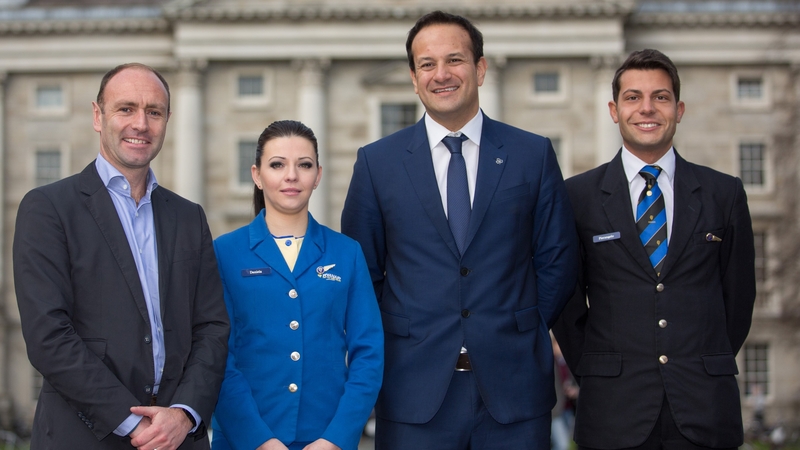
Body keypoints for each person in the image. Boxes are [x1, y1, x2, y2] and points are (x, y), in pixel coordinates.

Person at [341, 10, 578, 450]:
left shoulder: (532, 154)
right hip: (413, 393)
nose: (441, 74)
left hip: (514, 391)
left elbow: (558, 259)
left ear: (480, 68)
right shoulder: (377, 163)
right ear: (413, 78)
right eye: (427, 64)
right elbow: (362, 272)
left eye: (455, 60)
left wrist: (517, 326)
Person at [13, 63, 230, 450]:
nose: (141, 124)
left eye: (154, 111)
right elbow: (48, 335)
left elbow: (212, 328)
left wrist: (183, 414)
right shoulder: (48, 208)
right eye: (125, 109)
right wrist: (132, 423)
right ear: (98, 116)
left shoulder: (188, 216)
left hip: (178, 438)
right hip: (84, 436)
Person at [553, 49, 756, 450]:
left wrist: (698, 364)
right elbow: (567, 304)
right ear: (613, 109)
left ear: (679, 109)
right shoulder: (576, 197)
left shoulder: (724, 193)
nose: (647, 108)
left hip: (705, 411)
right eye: (633, 97)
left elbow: (738, 298)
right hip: (614, 412)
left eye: (660, 97)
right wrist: (601, 371)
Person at [211, 120, 383, 450]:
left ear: (317, 175)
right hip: (242, 440)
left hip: (324, 439)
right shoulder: (224, 252)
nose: (291, 176)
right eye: (277, 165)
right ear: (257, 175)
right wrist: (259, 440)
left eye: (303, 165)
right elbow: (217, 356)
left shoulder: (347, 253)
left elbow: (368, 355)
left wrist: (335, 439)